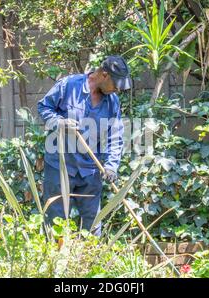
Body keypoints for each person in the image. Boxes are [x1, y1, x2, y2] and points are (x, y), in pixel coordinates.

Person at [37, 55, 131, 236]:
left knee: (93, 224)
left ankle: (89, 261)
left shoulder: (112, 102)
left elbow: (115, 135)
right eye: (116, 85)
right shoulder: (69, 85)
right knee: (55, 221)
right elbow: (44, 107)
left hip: (90, 170)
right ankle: (55, 261)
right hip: (60, 166)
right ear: (104, 75)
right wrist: (59, 123)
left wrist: (111, 166)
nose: (117, 90)